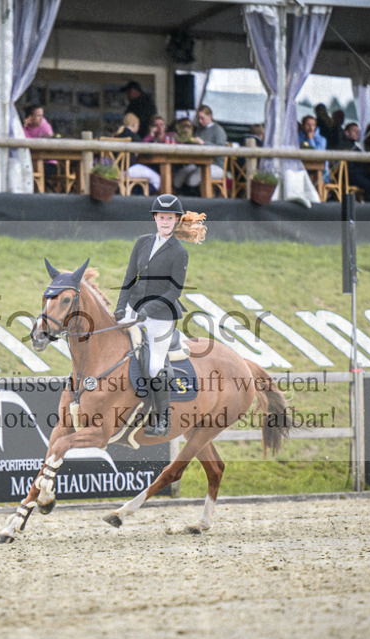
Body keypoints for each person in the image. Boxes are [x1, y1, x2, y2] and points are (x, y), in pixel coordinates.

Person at [114, 194, 192, 437]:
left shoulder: (179, 252)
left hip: (161, 315)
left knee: (154, 365)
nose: (165, 221)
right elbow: (129, 277)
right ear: (155, 219)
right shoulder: (142, 242)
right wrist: (120, 307)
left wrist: (149, 309)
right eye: (161, 217)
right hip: (135, 307)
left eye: (170, 218)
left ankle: (162, 419)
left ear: (176, 220)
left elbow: (174, 290)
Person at [172, 105, 226, 193]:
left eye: (202, 118)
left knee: (193, 177)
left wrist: (204, 143)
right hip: (199, 163)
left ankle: (196, 197)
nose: (200, 121)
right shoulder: (199, 130)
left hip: (215, 164)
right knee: (181, 174)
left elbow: (221, 148)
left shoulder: (218, 130)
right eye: (198, 118)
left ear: (210, 116)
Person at [110, 112, 160, 193]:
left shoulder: (116, 135)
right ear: (135, 124)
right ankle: (142, 196)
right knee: (157, 179)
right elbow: (148, 154)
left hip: (115, 170)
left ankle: (133, 193)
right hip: (129, 169)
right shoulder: (133, 136)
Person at [337, 122, 370, 199]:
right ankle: (367, 207)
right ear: (346, 133)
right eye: (354, 131)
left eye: (358, 131)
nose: (357, 133)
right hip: (350, 175)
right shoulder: (343, 146)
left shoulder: (355, 147)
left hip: (358, 173)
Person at [299, 114, 329, 182]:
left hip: (321, 170)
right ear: (303, 126)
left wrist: (310, 139)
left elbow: (317, 155)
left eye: (313, 125)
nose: (311, 128)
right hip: (302, 168)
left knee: (314, 177)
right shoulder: (298, 137)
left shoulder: (322, 140)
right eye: (308, 125)